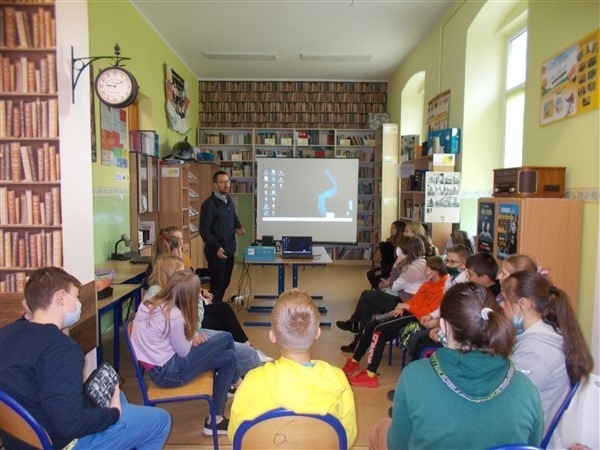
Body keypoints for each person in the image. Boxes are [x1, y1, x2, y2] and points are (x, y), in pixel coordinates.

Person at [0, 267, 171, 450]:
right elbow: (71, 425)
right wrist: (113, 414)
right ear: (61, 298)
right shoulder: (63, 349)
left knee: (116, 396)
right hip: (64, 442)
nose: (78, 303)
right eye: (76, 296)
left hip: (22, 439)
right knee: (160, 421)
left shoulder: (7, 333)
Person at [370, 282, 543, 449]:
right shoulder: (526, 389)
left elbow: (398, 446)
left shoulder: (413, 377)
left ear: (444, 327)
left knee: (380, 428)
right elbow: (531, 445)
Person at [227, 290, 357, 447]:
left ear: (272, 336)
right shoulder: (337, 380)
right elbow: (346, 438)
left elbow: (236, 437)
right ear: (317, 333)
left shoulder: (252, 381)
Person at [131, 270, 238, 435]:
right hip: (170, 372)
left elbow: (165, 339)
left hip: (156, 367)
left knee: (230, 357)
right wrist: (192, 341)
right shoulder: (174, 315)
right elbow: (183, 351)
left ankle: (216, 418)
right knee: (227, 338)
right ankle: (236, 384)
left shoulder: (149, 303)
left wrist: (190, 340)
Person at [160, 225, 272, 362]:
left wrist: (200, 292)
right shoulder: (169, 272)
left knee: (224, 308)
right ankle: (242, 356)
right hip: (191, 321)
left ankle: (249, 350)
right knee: (222, 324)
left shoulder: (171, 266)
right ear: (170, 245)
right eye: (179, 240)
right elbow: (184, 304)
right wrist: (200, 300)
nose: (182, 244)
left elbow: (183, 290)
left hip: (191, 314)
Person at [501, 271, 594, 433]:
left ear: (522, 304)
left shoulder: (535, 351)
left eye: (505, 300)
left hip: (524, 432)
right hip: (525, 422)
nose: (501, 305)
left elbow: (505, 397)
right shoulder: (549, 332)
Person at [145, 254, 263, 379]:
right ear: (171, 275)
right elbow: (191, 325)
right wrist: (197, 298)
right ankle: (232, 380)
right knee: (246, 356)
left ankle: (233, 379)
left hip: (190, 339)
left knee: (238, 348)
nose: (184, 276)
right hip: (181, 352)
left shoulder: (167, 292)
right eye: (181, 273)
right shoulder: (158, 297)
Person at [342, 256, 448, 387]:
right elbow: (416, 300)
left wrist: (408, 307)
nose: (426, 273)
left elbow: (430, 311)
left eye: (428, 270)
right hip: (409, 311)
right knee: (372, 325)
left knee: (378, 329)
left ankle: (370, 375)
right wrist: (402, 307)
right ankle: (354, 361)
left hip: (418, 318)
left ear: (436, 270)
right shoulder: (428, 283)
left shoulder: (444, 286)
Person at [336, 236, 427, 352]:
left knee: (366, 295)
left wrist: (395, 266)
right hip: (403, 297)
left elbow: (395, 286)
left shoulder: (412, 268)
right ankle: (358, 341)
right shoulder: (420, 263)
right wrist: (390, 282)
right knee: (367, 307)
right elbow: (399, 282)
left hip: (404, 304)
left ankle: (354, 323)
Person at [200, 170, 246, 303]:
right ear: (215, 184)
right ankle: (213, 309)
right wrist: (216, 247)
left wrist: (238, 227)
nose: (226, 185)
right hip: (216, 251)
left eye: (227, 181)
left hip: (229, 249)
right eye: (222, 182)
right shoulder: (209, 205)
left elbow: (234, 218)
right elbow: (204, 230)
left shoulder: (228, 200)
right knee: (217, 284)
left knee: (225, 282)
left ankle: (216, 305)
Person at [366, 220, 406, 289]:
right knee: (370, 273)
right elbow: (387, 260)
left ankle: (381, 291)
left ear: (399, 230)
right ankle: (379, 290)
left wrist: (382, 271)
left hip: (394, 269)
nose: (391, 230)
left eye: (394, 228)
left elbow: (394, 262)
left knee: (375, 275)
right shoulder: (391, 240)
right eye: (391, 227)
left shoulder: (401, 244)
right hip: (389, 267)